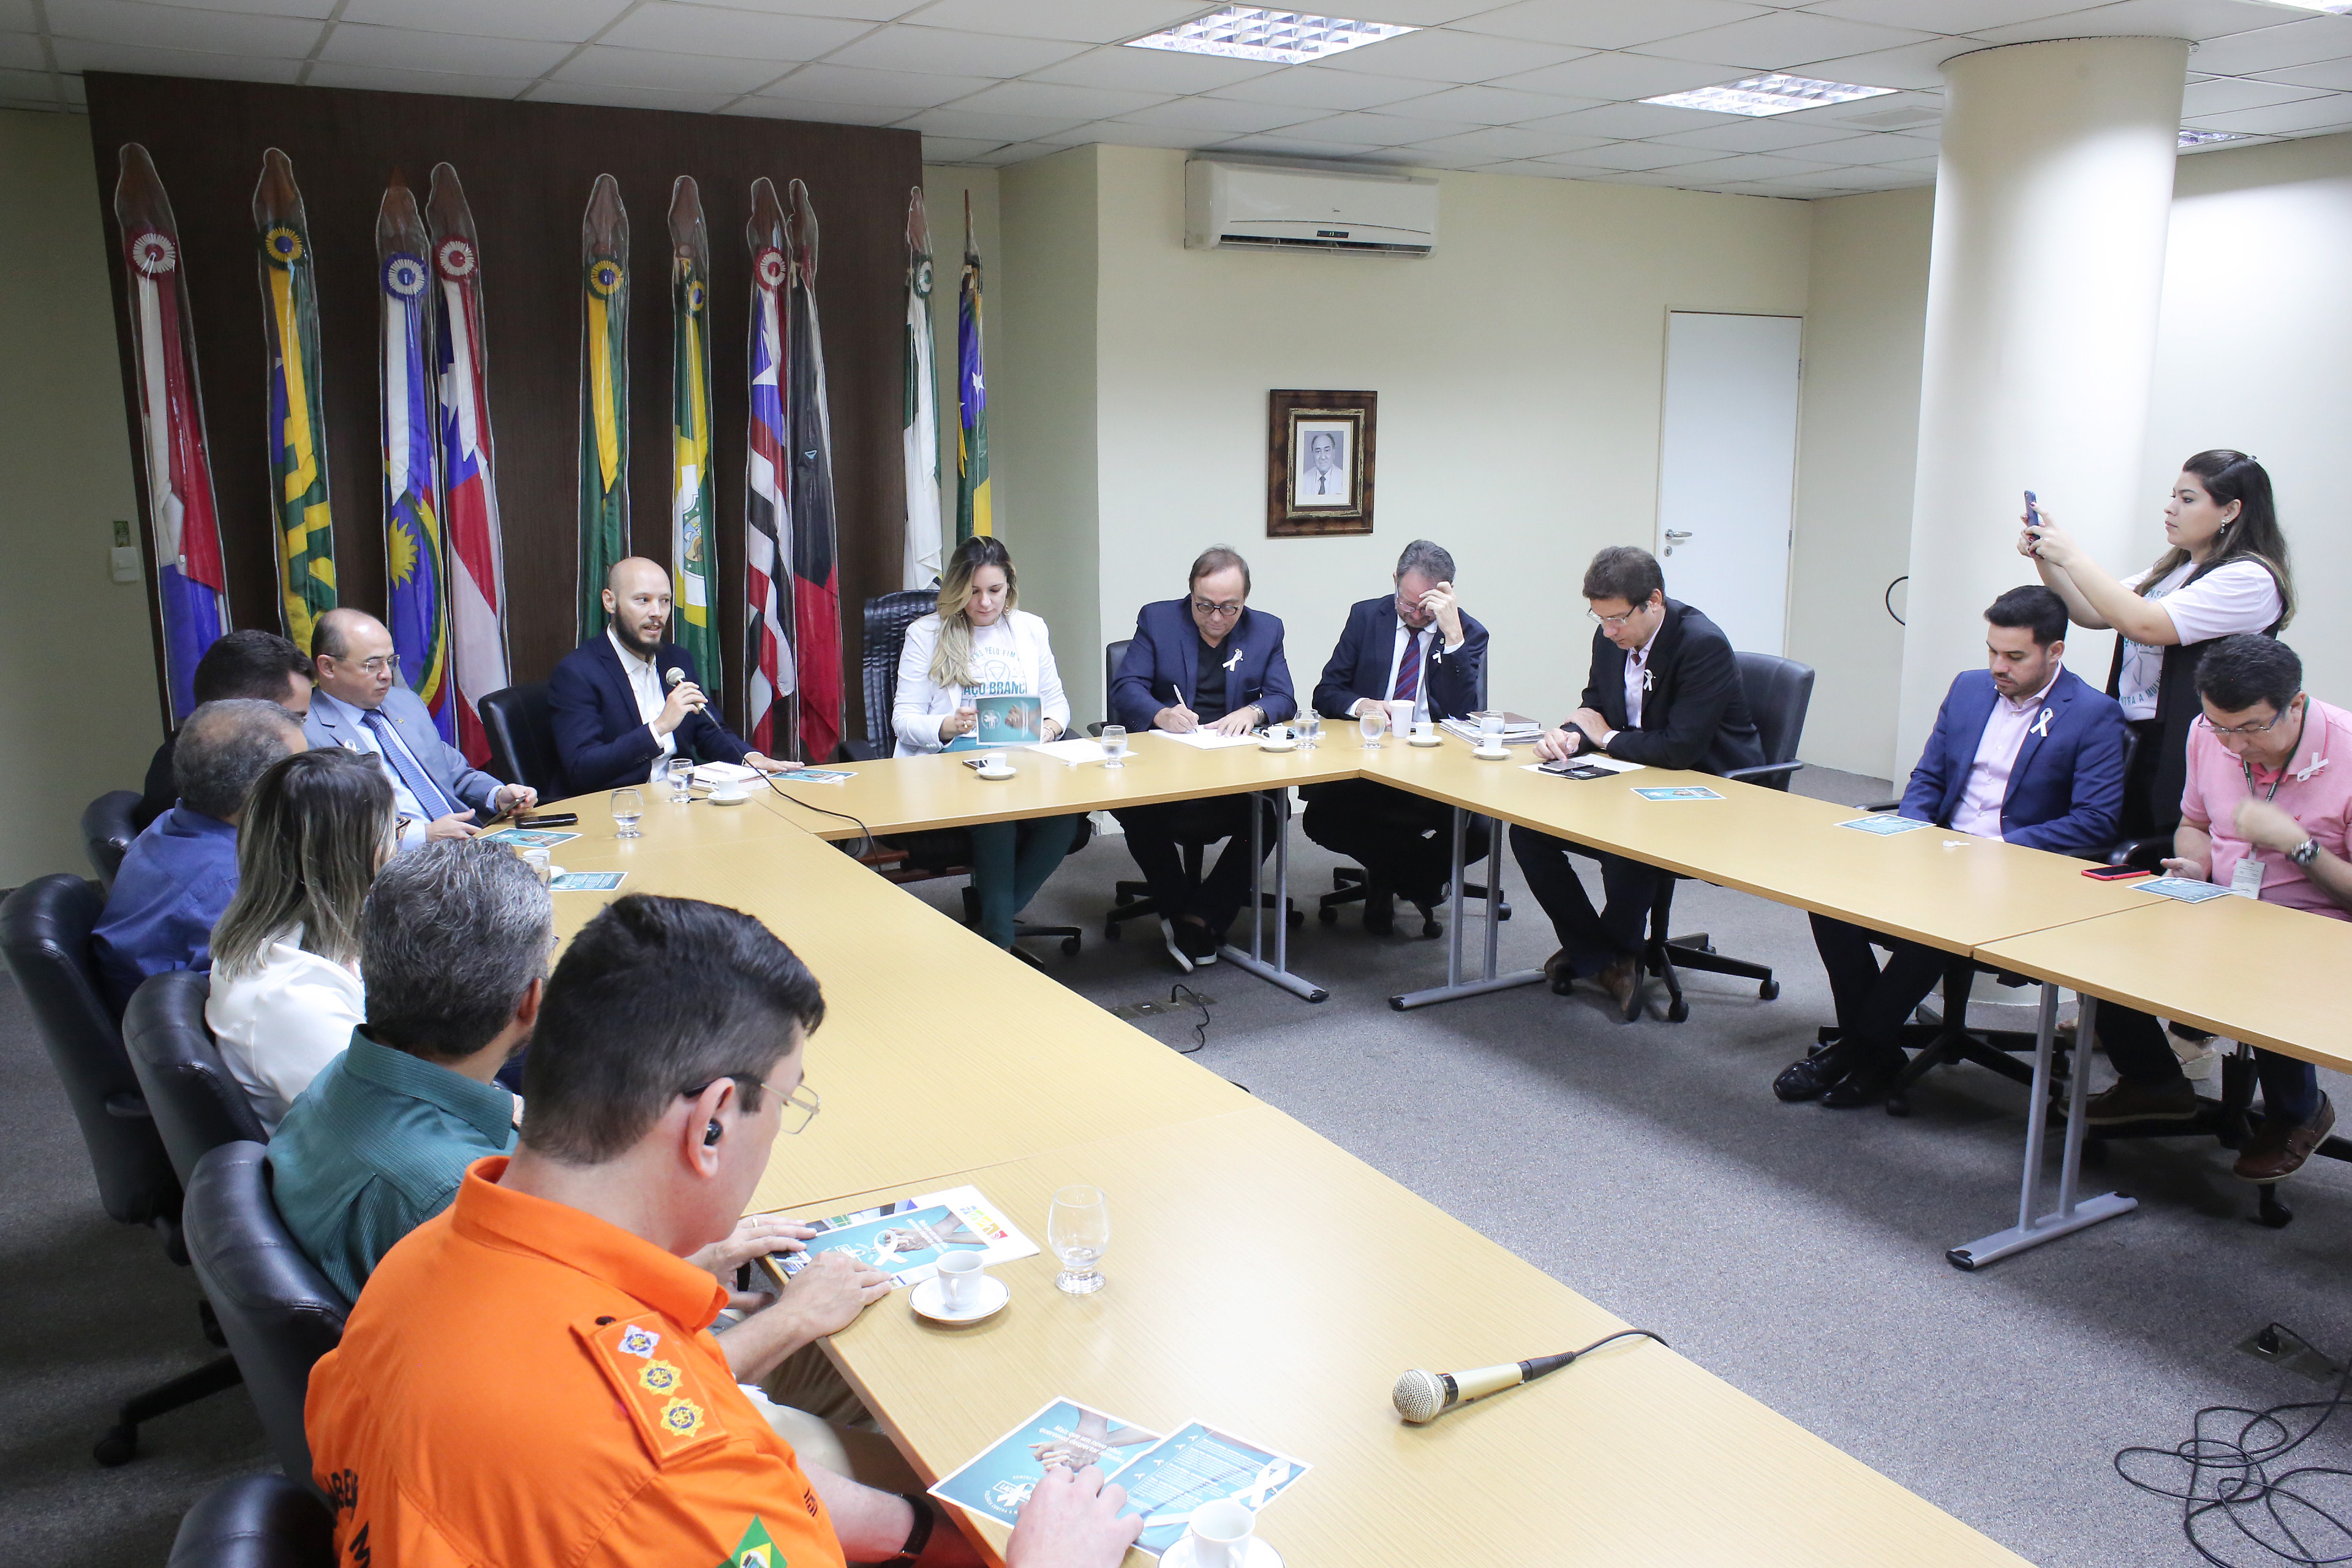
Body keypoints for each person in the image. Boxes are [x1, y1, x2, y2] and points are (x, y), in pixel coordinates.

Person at [304, 894, 1145, 1568]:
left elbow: (707, 1456)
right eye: (784, 1101)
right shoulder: (662, 1476)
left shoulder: (414, 1267)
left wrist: (923, 1531)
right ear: (709, 1125)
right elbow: (666, 1479)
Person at [1774, 587, 2128, 1107]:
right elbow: (1929, 778)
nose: (1999, 667)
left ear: (2055, 651)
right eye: (1993, 651)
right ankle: (1877, 1051)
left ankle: (1861, 1049)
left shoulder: (2093, 714)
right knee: (1829, 901)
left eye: (2015, 656)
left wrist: (1995, 848)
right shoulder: (1969, 688)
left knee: (1935, 927)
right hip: (1937, 854)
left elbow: (2095, 822)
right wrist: (1914, 835)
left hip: (2015, 873)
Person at [2084, 636, 2343, 1182]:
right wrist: (2196, 865)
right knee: (2096, 945)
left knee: (2264, 973)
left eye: (2251, 728)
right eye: (2221, 727)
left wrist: (2298, 845)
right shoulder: (2207, 732)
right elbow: (2195, 823)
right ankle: (2156, 1082)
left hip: (2315, 928)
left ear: (2295, 705)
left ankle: (2299, 1110)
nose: (2234, 744)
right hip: (2220, 905)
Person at [1510, 546, 1763, 1014]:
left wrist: (1605, 737)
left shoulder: (1700, 644)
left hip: (1710, 790)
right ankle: (1601, 956)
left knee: (1625, 843)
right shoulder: (1610, 638)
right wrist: (1569, 736)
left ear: (1655, 601)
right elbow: (1594, 705)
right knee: (1528, 832)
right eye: (1600, 618)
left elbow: (1678, 749)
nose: (1609, 631)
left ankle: (1618, 954)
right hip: (1635, 779)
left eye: (1618, 619)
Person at [2022, 450, 2291, 840]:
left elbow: (2145, 624)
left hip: (2188, 741)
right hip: (2137, 733)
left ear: (2231, 510)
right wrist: (2046, 557)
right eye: (2173, 496)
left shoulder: (2249, 578)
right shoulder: (2174, 569)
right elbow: (2092, 611)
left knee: (2158, 842)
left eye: (2188, 499)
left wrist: (2073, 555)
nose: (2170, 508)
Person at [890, 537, 1084, 951]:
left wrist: (1049, 729)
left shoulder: (1030, 628)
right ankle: (998, 942)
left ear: (1009, 585)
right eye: (973, 591)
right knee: (996, 811)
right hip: (956, 761)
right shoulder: (926, 633)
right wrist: (948, 725)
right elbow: (904, 720)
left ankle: (993, 923)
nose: (984, 602)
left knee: (1066, 816)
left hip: (1024, 755)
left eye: (995, 590)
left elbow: (1057, 703)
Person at [1109, 547, 1298, 969]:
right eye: (1205, 605)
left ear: (1245, 600)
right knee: (1137, 809)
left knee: (1272, 810)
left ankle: (1202, 914)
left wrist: (1254, 712)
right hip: (1165, 765)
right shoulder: (1158, 620)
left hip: (1231, 767)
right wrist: (1161, 714)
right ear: (1191, 594)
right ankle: (1178, 905)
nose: (1216, 617)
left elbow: (1284, 697)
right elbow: (1127, 687)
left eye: (1229, 608)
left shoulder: (1266, 630)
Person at [1302, 539, 1491, 934]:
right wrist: (1364, 706)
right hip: (1368, 761)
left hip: (1433, 768)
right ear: (1395, 580)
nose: (1415, 615)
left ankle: (1398, 876)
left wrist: (1452, 638)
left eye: (1426, 607)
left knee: (1482, 830)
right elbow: (1326, 692)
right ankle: (1419, 881)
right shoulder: (1367, 617)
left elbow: (1464, 714)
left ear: (1446, 594)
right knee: (1321, 818)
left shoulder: (1468, 633)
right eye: (1407, 604)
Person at [205, 748, 393, 1133]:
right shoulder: (295, 1002)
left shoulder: (282, 935)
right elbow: (393, 1132)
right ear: (363, 856)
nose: (394, 851)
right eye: (396, 831)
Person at [92, 699, 306, 1013]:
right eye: (302, 773)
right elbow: (284, 1004)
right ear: (258, 792)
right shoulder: (232, 885)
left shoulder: (169, 824)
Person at [550, 556, 793, 795]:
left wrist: (749, 758)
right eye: (643, 600)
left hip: (680, 797)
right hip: (618, 805)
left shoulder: (676, 659)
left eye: (664, 601)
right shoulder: (578, 672)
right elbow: (582, 768)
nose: (657, 612)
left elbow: (708, 730)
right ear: (610, 602)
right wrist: (659, 728)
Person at [305, 608, 535, 846]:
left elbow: (455, 774)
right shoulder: (306, 732)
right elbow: (332, 827)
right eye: (371, 665)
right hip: (397, 859)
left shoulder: (405, 703)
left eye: (390, 662)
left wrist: (498, 795)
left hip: (467, 845)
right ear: (328, 667)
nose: (387, 675)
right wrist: (424, 835)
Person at [134, 629, 314, 831]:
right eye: (294, 718)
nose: (302, 729)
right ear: (243, 710)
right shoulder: (213, 794)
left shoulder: (194, 760)